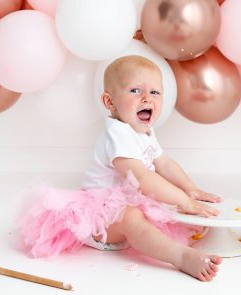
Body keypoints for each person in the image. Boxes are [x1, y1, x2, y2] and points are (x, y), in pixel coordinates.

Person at [18, 55, 222, 282]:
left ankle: (166, 238)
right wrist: (183, 200)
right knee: (133, 216)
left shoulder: (145, 133)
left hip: (126, 207)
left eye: (155, 92)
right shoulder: (118, 133)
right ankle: (180, 256)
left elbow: (164, 163)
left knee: (158, 209)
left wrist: (190, 189)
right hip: (98, 218)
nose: (147, 98)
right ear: (110, 102)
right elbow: (142, 177)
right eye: (135, 90)